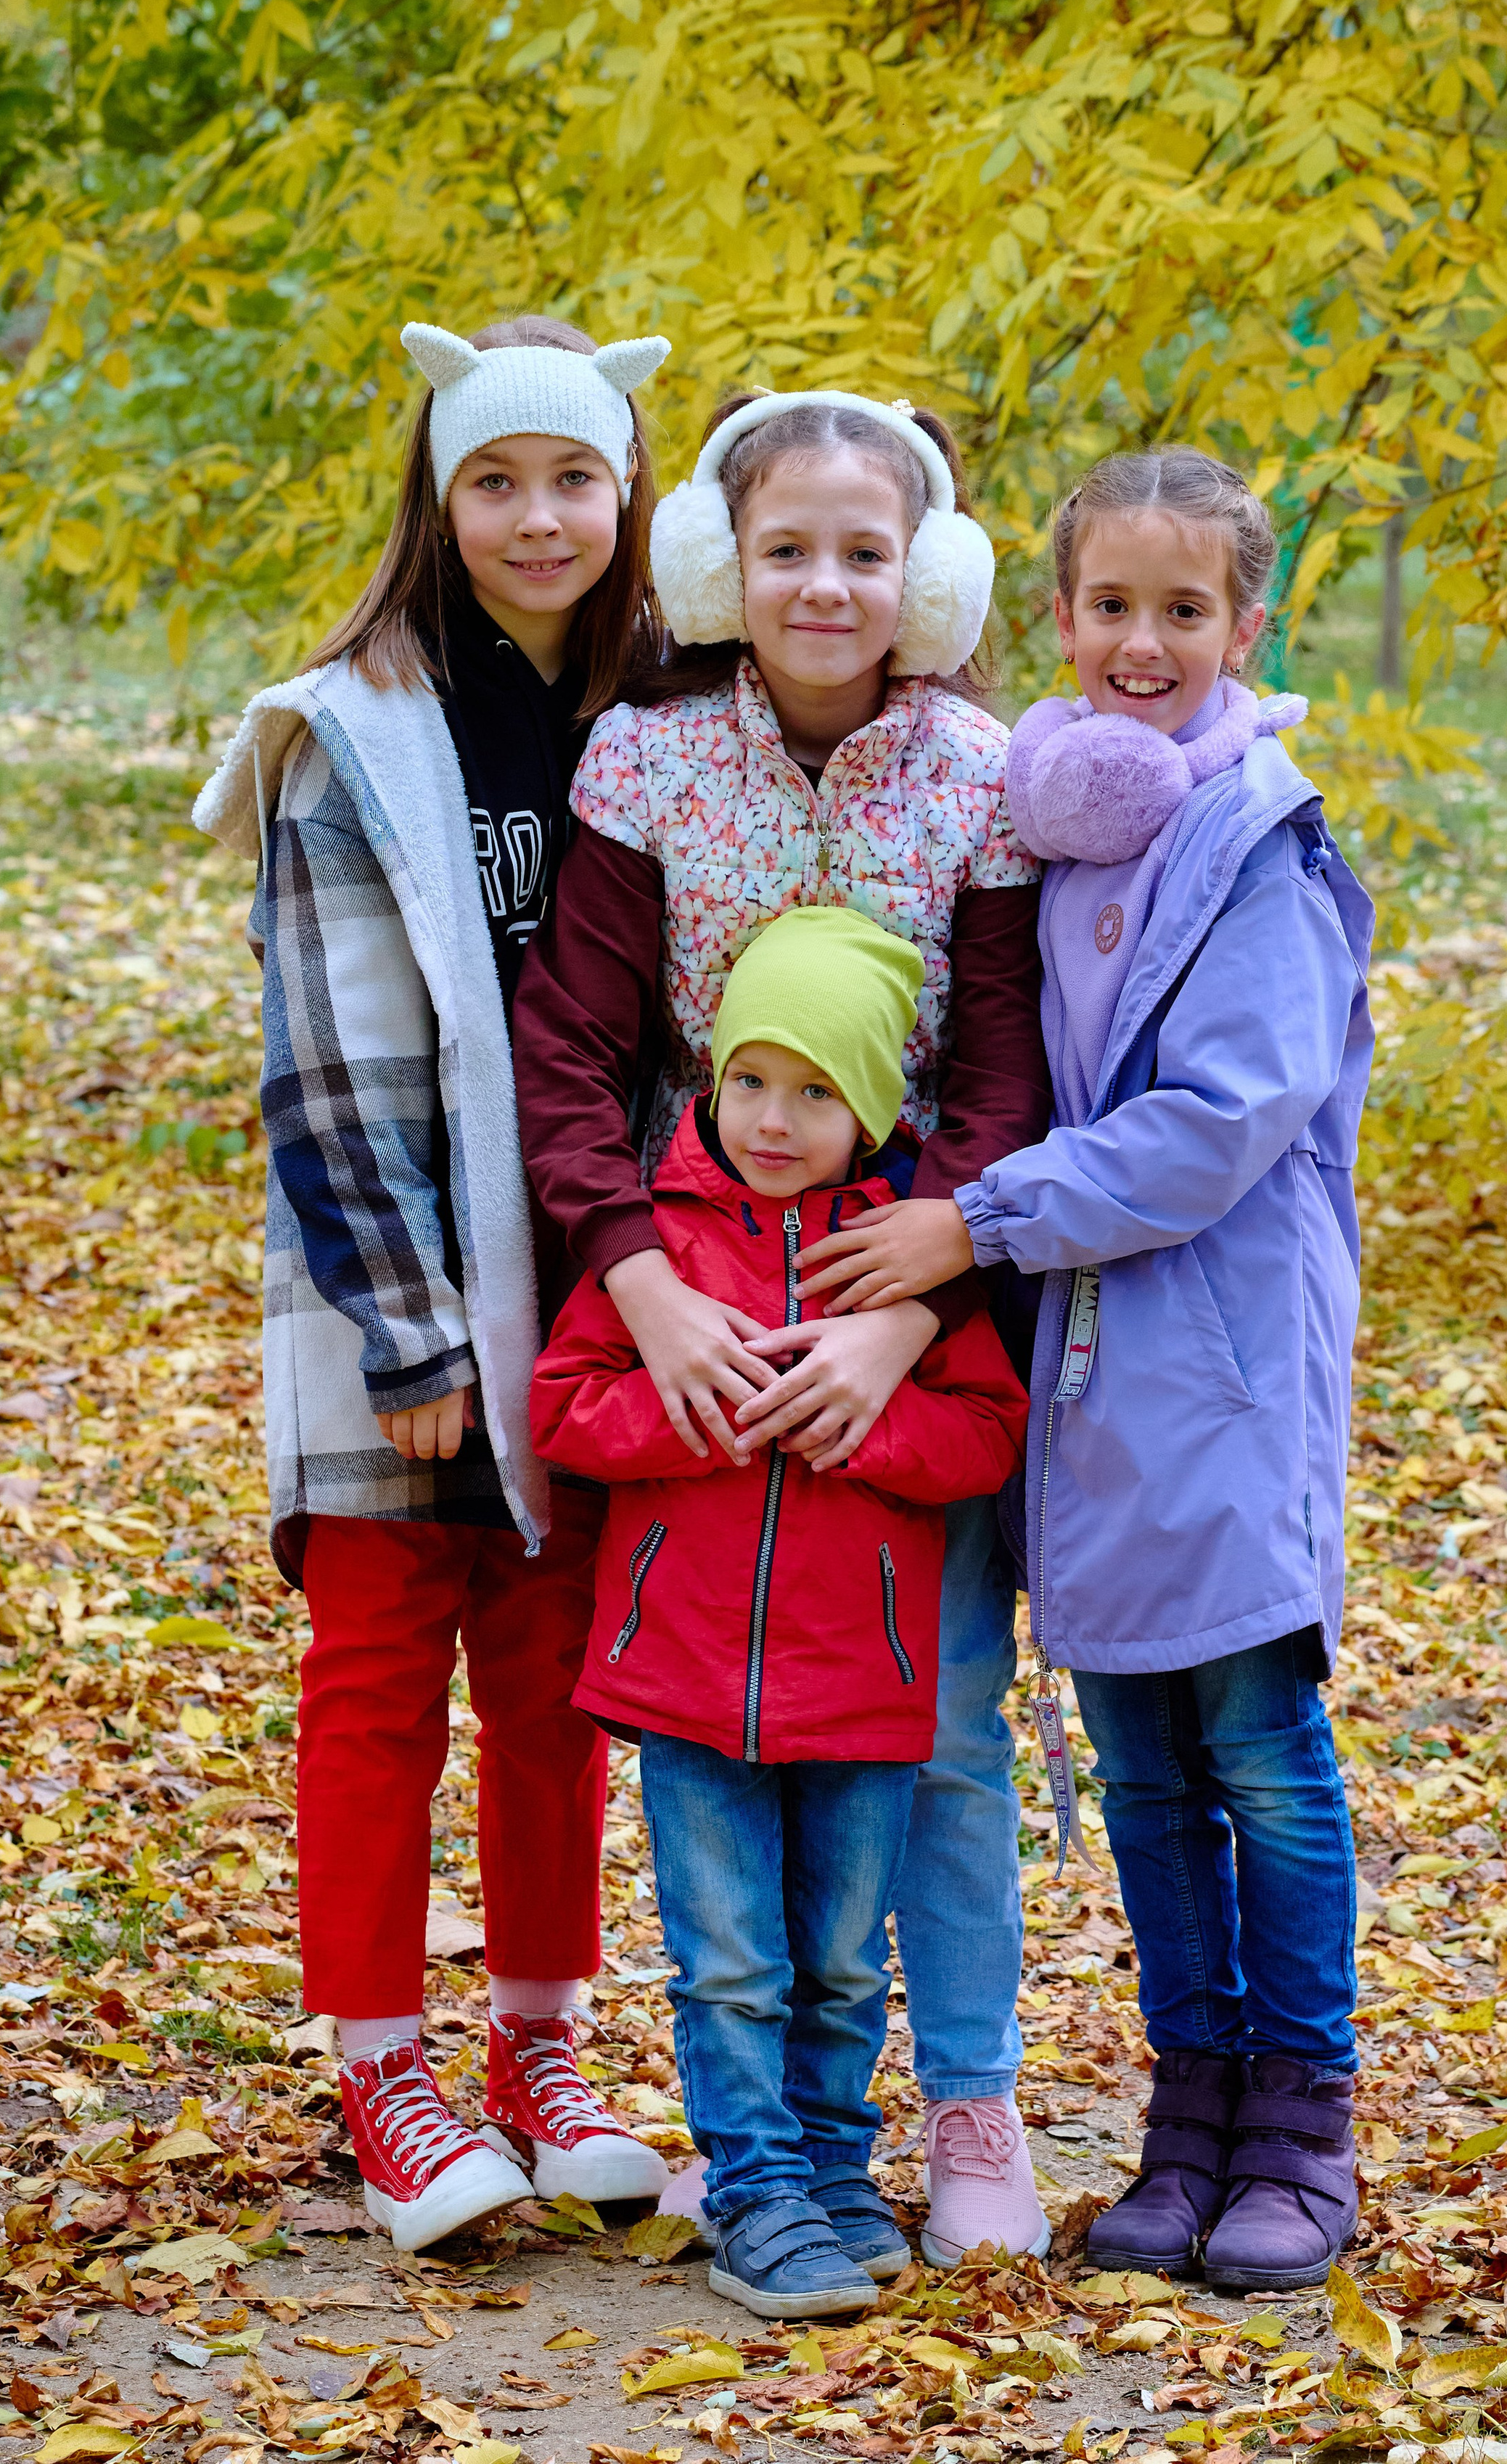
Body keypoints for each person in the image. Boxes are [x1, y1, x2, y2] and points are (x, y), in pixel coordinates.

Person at [514, 387, 1057, 2264]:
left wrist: (920, 1304)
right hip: (695, 1276)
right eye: (785, 549)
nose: (825, 584)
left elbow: (1000, 1063)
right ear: (717, 570)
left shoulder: (987, 771)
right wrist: (642, 1285)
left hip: (919, 1275)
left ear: (929, 576)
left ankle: (968, 2099)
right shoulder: (646, 766)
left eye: (865, 550)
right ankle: (760, 2143)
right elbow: (574, 1056)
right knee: (714, 1724)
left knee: (949, 1727)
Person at [192, 316, 676, 2250]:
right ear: (440, 495)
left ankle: (538, 2049)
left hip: (596, 1287)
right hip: (392, 1281)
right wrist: (409, 1324)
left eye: (574, 475)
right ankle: (382, 2062)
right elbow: (320, 1059)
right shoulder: (350, 729)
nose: (537, 515)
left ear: (628, 490)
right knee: (382, 1675)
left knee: (557, 1687)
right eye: (496, 479)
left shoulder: (657, 719)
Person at [924, 445, 1376, 2291]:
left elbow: (1225, 1118)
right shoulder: (1067, 831)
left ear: (1239, 627)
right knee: (1133, 1766)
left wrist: (985, 1218)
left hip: (1225, 1367)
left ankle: (1298, 2126)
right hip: (1087, 1385)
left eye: (1178, 610)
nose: (1138, 640)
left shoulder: (1252, 849)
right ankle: (1185, 2121)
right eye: (1108, 604)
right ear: (1060, 616)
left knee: (1259, 1753)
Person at [530, 908, 1031, 2314]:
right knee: (733, 1957)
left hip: (863, 1681)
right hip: (687, 1680)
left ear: (871, 1107)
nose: (772, 1116)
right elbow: (566, 1408)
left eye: (816, 1091)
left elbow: (982, 1431)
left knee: (835, 1955)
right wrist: (700, 1415)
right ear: (709, 1074)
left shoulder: (895, 1259)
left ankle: (825, 2172)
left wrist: (860, 1426)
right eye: (749, 1078)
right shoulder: (661, 1246)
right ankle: (753, 2193)